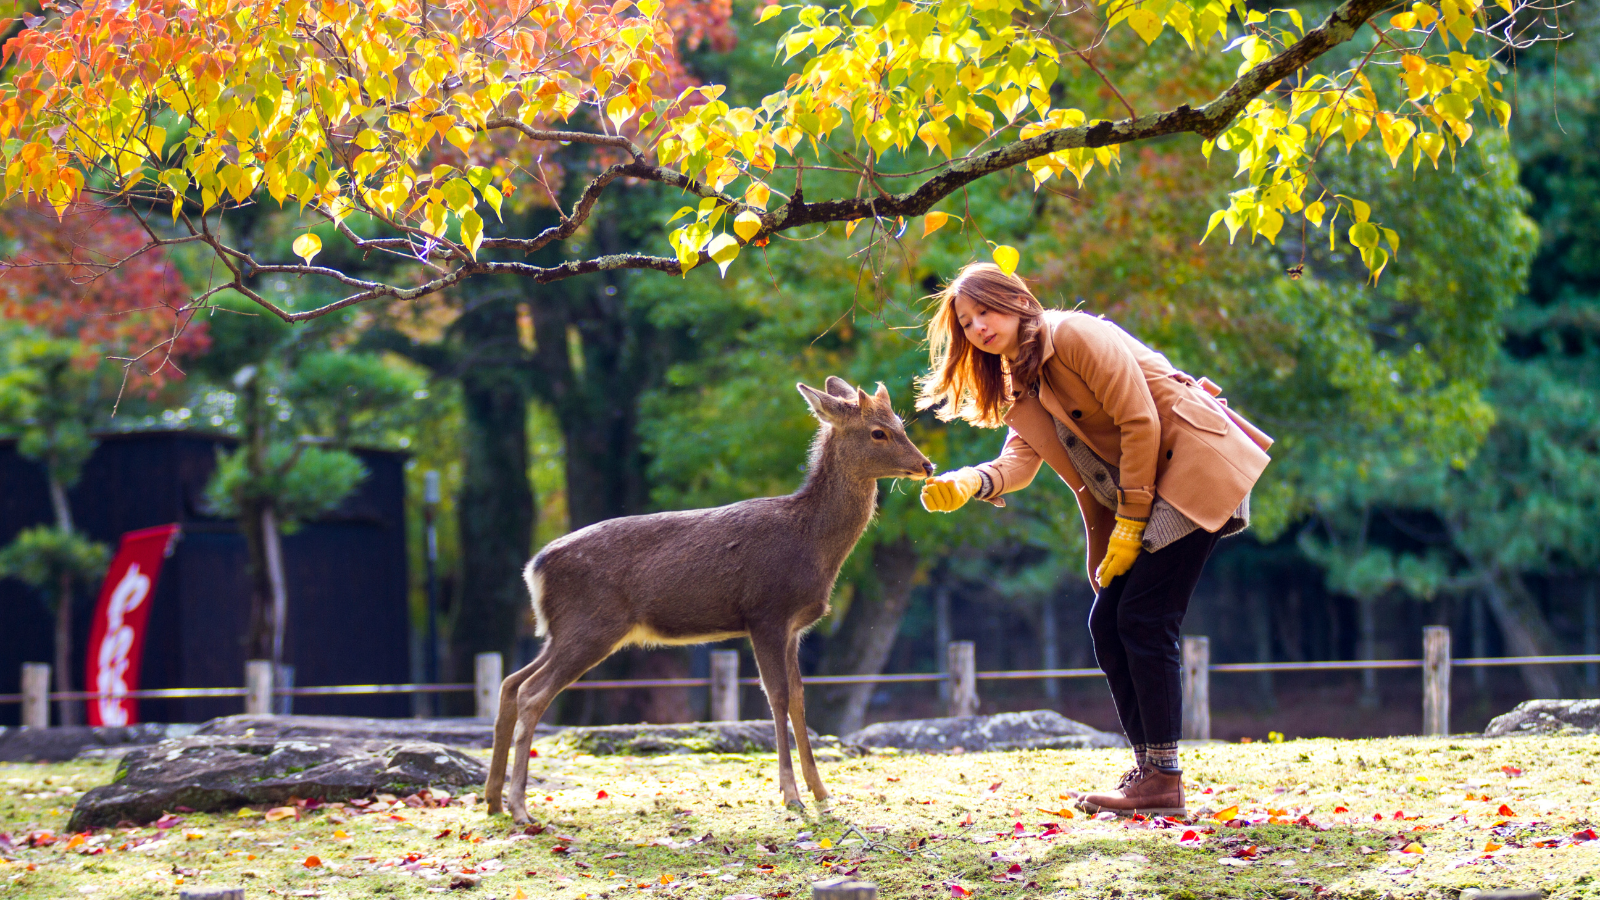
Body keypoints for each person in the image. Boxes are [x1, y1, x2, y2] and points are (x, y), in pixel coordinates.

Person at [915, 262, 1273, 817]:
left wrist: (1130, 524)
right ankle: (1151, 773)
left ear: (1015, 299)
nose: (978, 327)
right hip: (1147, 488)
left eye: (984, 310)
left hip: (1192, 465)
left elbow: (1141, 422)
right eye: (966, 322)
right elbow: (1021, 459)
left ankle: (1162, 778)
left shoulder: (1072, 335)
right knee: (1108, 623)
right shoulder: (1019, 378)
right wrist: (972, 481)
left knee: (1144, 620)